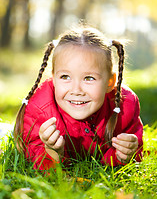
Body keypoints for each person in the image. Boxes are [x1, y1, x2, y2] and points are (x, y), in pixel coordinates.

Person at [14, 25, 143, 170]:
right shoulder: (40, 109)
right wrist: (52, 152)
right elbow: (31, 152)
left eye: (88, 78)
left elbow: (134, 146)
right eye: (65, 77)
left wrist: (122, 155)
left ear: (110, 82)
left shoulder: (125, 106)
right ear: (54, 79)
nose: (76, 90)